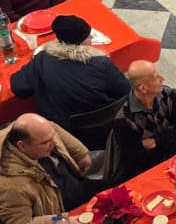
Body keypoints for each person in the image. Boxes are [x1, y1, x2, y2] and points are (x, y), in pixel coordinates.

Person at [10, 14, 130, 148]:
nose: (91, 38)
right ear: (80, 41)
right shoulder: (102, 64)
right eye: (88, 36)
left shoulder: (43, 59)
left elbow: (18, 87)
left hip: (66, 135)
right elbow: (126, 90)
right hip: (107, 129)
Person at [0, 113, 94, 224]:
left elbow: (52, 128)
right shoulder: (7, 187)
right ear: (22, 146)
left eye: (52, 138)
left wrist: (80, 153)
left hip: (77, 191)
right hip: (60, 217)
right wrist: (63, 223)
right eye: (45, 143)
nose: (54, 143)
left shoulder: (34, 133)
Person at [105, 60, 176, 182]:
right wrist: (170, 141)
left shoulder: (167, 95)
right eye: (157, 77)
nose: (163, 78)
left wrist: (156, 141)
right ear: (143, 88)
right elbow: (136, 160)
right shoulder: (124, 120)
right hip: (148, 174)